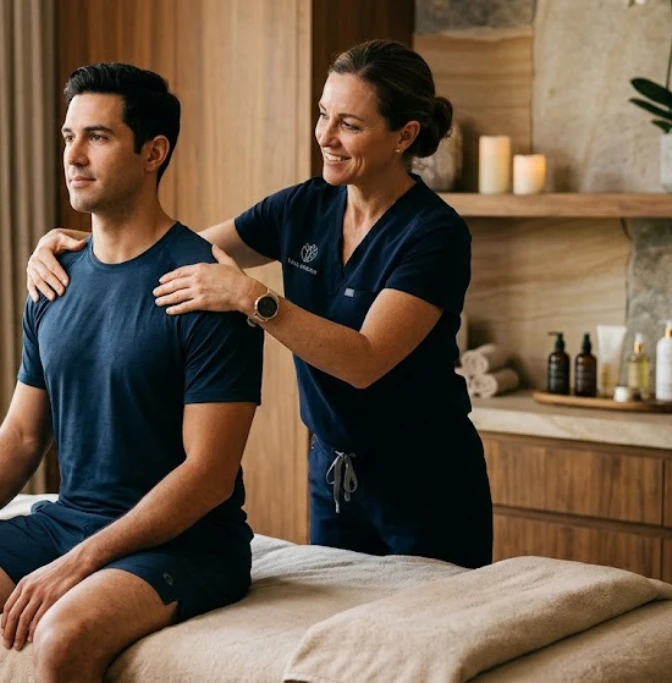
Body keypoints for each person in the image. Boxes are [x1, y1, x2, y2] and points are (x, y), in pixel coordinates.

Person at [0, 63, 263, 683]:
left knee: (63, 635)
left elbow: (208, 476)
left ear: (153, 152)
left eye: (97, 137)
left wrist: (83, 562)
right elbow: (23, 434)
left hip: (189, 542)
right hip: (69, 517)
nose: (74, 155)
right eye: (68, 137)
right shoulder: (54, 277)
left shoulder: (204, 289)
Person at [26, 39, 493, 570]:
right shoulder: (303, 206)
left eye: (350, 125)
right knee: (339, 643)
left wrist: (253, 297)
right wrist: (74, 248)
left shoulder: (433, 234)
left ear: (404, 135)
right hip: (333, 475)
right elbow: (169, 256)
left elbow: (364, 361)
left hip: (426, 482)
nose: (326, 137)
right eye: (323, 114)